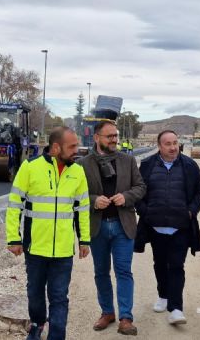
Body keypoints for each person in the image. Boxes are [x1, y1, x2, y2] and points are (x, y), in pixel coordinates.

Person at [6, 126, 91, 340]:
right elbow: (15, 203)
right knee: (35, 293)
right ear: (55, 147)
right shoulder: (30, 167)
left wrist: (84, 240)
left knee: (59, 296)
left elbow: (82, 208)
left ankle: (57, 335)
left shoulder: (78, 171)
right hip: (35, 247)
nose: (76, 150)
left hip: (63, 250)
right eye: (71, 146)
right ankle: (36, 324)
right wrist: (13, 238)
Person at [78, 121, 146, 335]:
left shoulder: (128, 160)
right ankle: (107, 312)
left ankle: (126, 317)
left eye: (115, 136)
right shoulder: (83, 164)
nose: (115, 140)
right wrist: (93, 200)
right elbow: (74, 196)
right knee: (101, 272)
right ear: (97, 138)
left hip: (122, 226)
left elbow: (141, 187)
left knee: (123, 271)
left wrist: (126, 197)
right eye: (110, 136)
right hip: (97, 227)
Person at [134, 130, 200, 325]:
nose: (173, 147)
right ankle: (163, 296)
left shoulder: (189, 165)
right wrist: (145, 212)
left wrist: (191, 211)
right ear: (159, 146)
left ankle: (176, 308)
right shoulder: (148, 165)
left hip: (180, 227)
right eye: (168, 143)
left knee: (176, 266)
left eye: (175, 142)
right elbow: (138, 191)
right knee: (159, 263)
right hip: (155, 228)